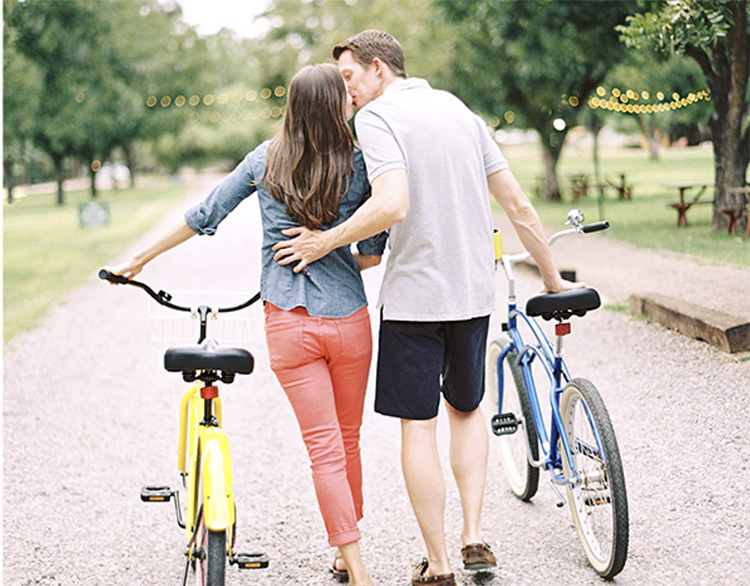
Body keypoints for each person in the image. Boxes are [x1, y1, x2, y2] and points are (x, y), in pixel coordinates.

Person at [272, 30, 584, 586]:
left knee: (418, 428)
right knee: (467, 412)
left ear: (377, 69)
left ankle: (439, 566)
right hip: (471, 294)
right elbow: (518, 203)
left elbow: (392, 203)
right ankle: (473, 537)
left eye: (348, 79)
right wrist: (553, 276)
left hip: (415, 301)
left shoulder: (376, 118)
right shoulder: (461, 112)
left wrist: (325, 241)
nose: (347, 95)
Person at [107, 63, 386, 586]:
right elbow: (370, 256)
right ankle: (347, 556)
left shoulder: (265, 159)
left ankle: (359, 570)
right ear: (336, 106)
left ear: (293, 107)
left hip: (290, 324)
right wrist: (334, 238)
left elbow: (204, 213)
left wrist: (138, 259)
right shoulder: (362, 165)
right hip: (350, 321)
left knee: (323, 449)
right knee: (347, 441)